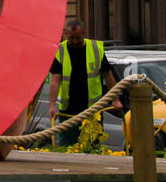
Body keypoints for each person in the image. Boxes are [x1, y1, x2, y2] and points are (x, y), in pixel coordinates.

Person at [48, 19, 121, 148]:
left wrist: (116, 99)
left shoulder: (96, 49)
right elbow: (55, 80)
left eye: (78, 38)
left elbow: (108, 77)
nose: (75, 42)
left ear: (84, 34)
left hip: (92, 111)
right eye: (71, 38)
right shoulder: (60, 51)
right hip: (68, 111)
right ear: (65, 34)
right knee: (67, 147)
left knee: (93, 147)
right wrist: (52, 105)